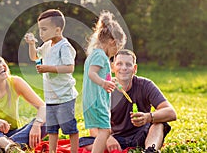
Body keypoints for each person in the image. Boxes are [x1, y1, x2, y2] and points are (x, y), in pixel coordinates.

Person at [81, 49, 177, 153]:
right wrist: (108, 138)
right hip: (116, 138)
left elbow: (171, 113)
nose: (124, 68)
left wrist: (148, 117)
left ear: (134, 69)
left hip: (142, 135)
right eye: (119, 64)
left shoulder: (146, 85)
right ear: (112, 67)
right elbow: (94, 127)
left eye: (128, 64)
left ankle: (150, 150)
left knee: (159, 123)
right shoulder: (104, 88)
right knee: (86, 144)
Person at [25, 9, 79, 153]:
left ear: (57, 30)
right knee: (52, 129)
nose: (41, 33)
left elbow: (69, 67)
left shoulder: (64, 46)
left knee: (69, 128)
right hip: (51, 98)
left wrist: (49, 68)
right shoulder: (47, 45)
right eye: (40, 30)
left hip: (65, 96)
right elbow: (34, 56)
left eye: (44, 29)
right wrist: (31, 44)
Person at [82, 11, 127, 153]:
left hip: (93, 100)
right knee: (105, 131)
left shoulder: (95, 54)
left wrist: (108, 80)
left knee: (104, 131)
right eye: (117, 49)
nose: (116, 53)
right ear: (112, 42)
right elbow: (92, 74)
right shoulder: (100, 55)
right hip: (96, 101)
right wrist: (103, 83)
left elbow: (97, 75)